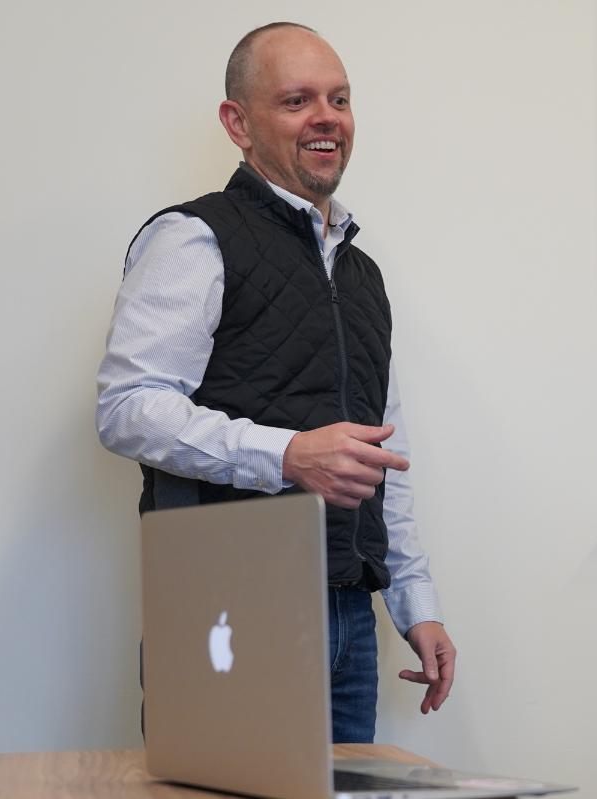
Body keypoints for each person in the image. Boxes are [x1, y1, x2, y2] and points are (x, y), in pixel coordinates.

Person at [95, 22, 455, 743]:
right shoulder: (192, 238)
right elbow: (126, 409)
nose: (327, 117)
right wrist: (287, 454)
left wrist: (416, 603)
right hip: (228, 603)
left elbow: (386, 454)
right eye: (296, 100)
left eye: (340, 98)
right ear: (239, 123)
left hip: (350, 614)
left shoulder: (362, 274)